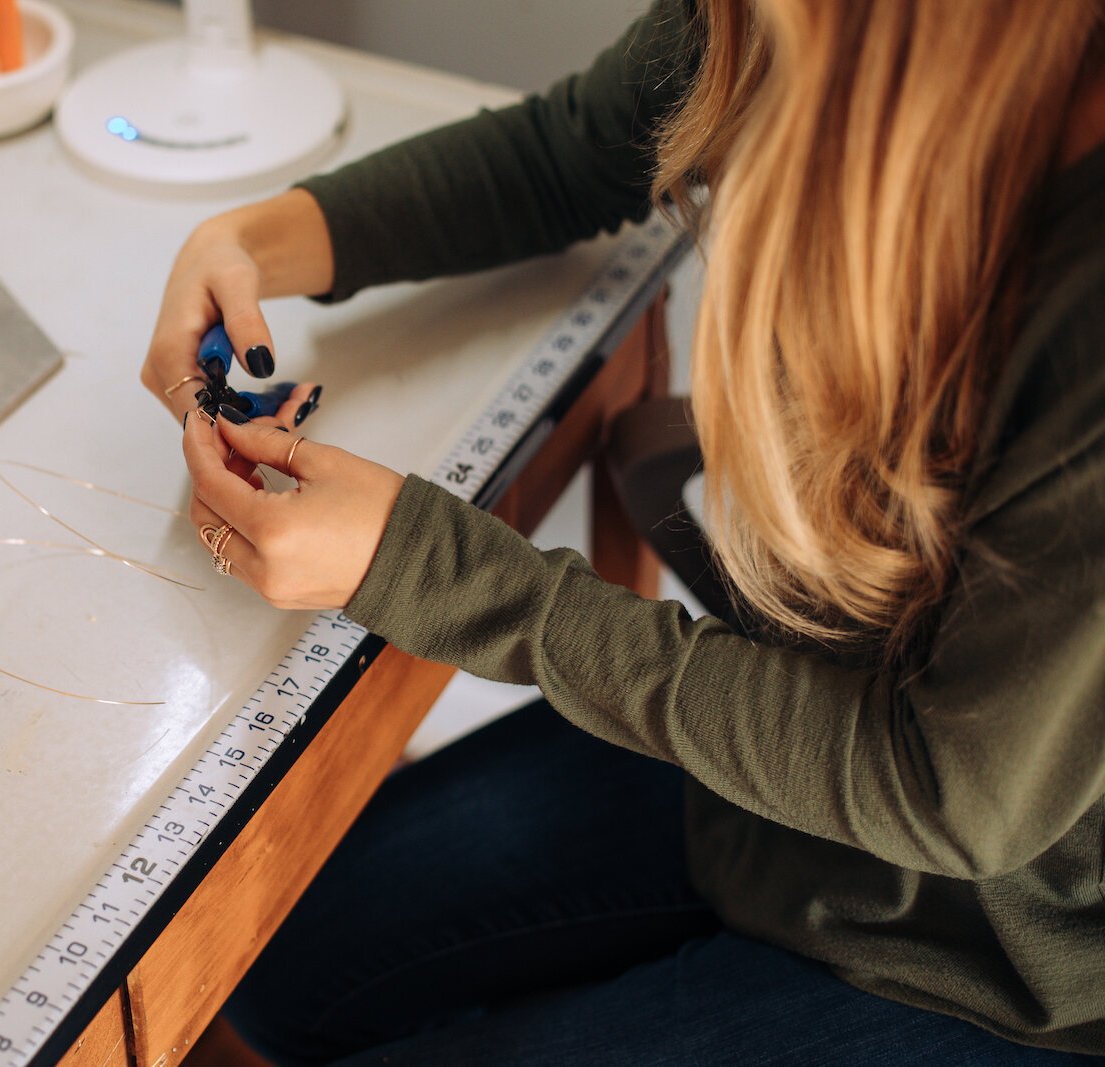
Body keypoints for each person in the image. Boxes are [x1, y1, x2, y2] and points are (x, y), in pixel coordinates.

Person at [141, 0, 1105, 1062]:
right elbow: (573, 148)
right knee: (272, 968)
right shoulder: (787, 26)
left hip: (1008, 946)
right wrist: (243, 241)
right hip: (791, 755)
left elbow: (947, 790)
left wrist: (427, 568)